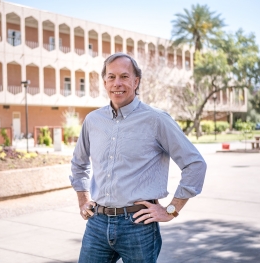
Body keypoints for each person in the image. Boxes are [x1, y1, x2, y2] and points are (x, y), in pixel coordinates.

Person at [70, 52, 206, 263]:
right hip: (97, 223)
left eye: (124, 76)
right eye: (111, 77)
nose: (117, 83)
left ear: (136, 81)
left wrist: (172, 210)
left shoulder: (156, 120)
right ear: (104, 82)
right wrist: (83, 200)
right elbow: (79, 164)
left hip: (138, 225)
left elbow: (195, 164)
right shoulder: (93, 120)